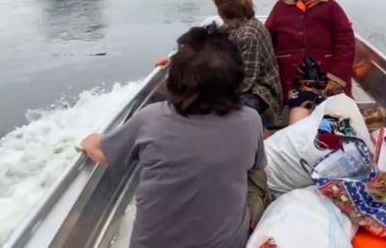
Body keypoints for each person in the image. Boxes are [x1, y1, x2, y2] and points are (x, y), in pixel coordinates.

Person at [81, 26, 265, 248]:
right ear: (237, 80)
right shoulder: (251, 120)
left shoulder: (150, 119)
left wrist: (89, 140)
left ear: (175, 79)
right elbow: (256, 166)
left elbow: (103, 154)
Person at [156, 0, 282, 128]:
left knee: (220, 115)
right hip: (238, 83)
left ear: (223, 11)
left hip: (260, 92)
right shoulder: (233, 25)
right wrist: (174, 59)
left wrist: (208, 94)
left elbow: (246, 82)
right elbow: (206, 45)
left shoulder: (250, 35)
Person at [266, 0, 355, 124]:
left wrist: (337, 78)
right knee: (298, 124)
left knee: (333, 122)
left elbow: (346, 44)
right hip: (297, 81)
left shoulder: (332, 8)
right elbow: (266, 38)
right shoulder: (281, 7)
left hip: (327, 78)